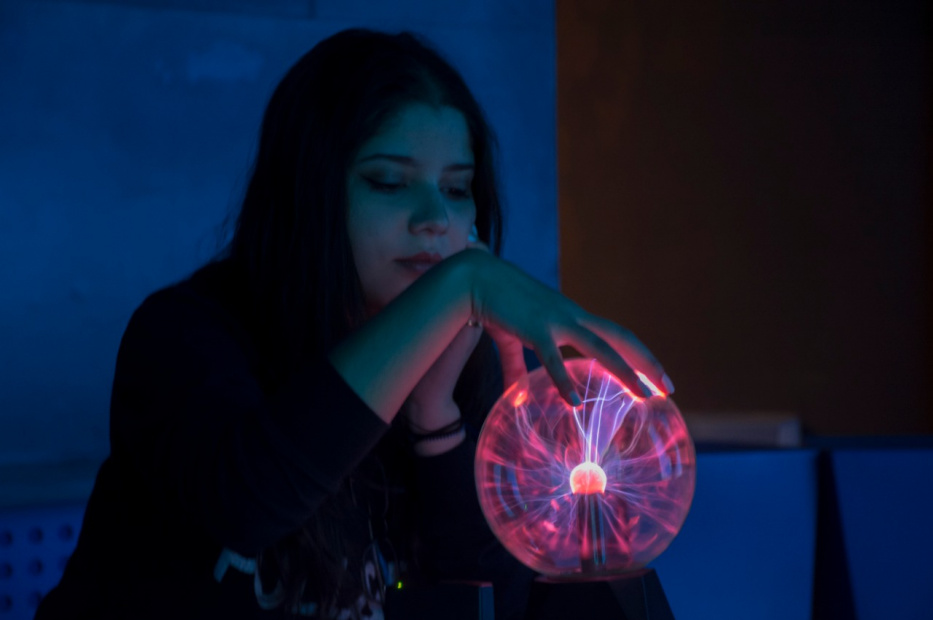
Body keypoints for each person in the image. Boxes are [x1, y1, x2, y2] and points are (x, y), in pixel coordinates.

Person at [35, 28, 671, 620]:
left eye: (456, 189)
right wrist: (462, 284)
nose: (433, 218)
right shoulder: (184, 336)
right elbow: (249, 504)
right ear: (310, 192)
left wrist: (435, 420)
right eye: (389, 183)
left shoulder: (465, 362)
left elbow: (486, 599)